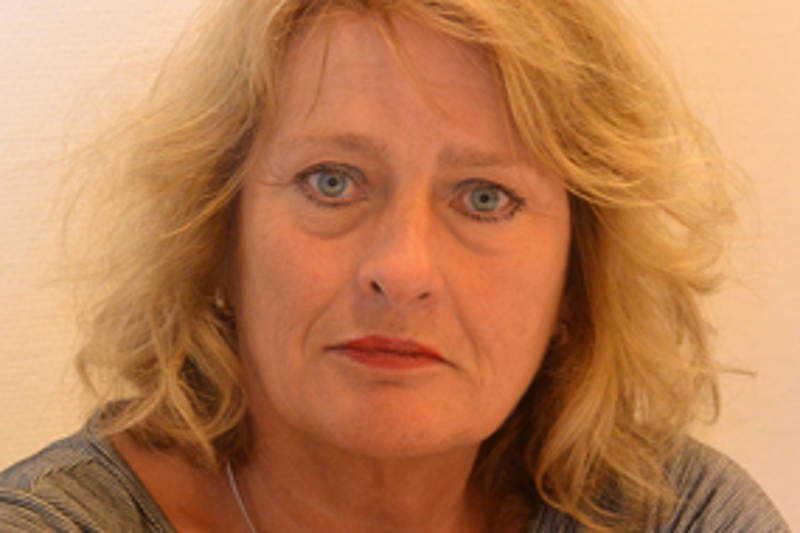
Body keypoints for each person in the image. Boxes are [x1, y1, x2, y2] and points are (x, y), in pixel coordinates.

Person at [0, 0, 790, 531]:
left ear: (578, 279)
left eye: (485, 198)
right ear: (218, 238)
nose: (402, 269)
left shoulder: (678, 514)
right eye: (331, 181)